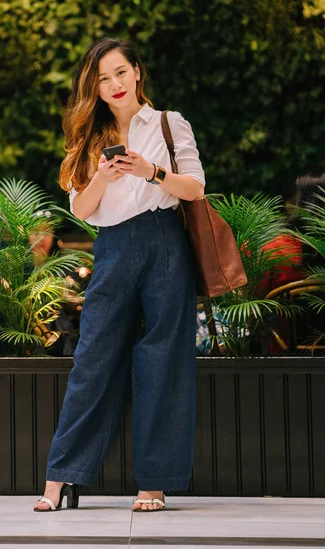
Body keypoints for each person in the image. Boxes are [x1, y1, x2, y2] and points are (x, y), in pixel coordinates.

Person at [34, 38, 205, 513]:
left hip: (164, 240)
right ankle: (61, 477)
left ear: (137, 73)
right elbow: (82, 211)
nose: (112, 85)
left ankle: (155, 482)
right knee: (93, 355)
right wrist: (103, 179)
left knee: (164, 358)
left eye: (119, 73)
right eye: (102, 79)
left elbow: (194, 187)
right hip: (112, 247)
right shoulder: (89, 135)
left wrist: (152, 171)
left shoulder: (168, 124)